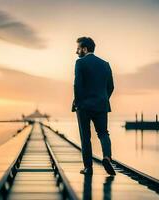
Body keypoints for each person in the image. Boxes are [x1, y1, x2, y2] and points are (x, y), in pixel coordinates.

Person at [72, 37, 116, 175]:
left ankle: (88, 168)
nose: (76, 51)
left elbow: (77, 85)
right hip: (101, 105)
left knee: (85, 137)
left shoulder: (80, 63)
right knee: (103, 133)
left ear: (85, 49)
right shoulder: (105, 64)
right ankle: (107, 157)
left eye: (78, 48)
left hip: (84, 106)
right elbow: (111, 86)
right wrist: (103, 99)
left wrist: (78, 103)